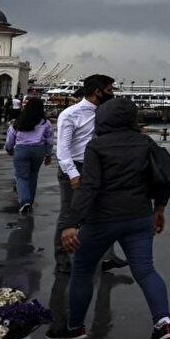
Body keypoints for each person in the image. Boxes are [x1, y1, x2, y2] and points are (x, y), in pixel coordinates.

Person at [46, 97, 170, 339]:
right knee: (146, 271)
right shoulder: (145, 142)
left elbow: (90, 187)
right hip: (139, 217)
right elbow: (162, 175)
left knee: (83, 271)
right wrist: (159, 207)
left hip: (101, 220)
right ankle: (163, 323)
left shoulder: (97, 146)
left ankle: (74, 327)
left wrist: (72, 223)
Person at [54, 74, 126, 275]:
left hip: (99, 168)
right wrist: (73, 174)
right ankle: (63, 261)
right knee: (69, 215)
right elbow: (62, 148)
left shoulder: (106, 114)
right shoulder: (70, 114)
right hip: (75, 168)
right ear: (98, 91)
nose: (113, 94)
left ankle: (107, 257)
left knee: (104, 212)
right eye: (110, 90)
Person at [5, 97, 54, 214]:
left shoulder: (18, 121)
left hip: (22, 150)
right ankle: (30, 201)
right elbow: (49, 140)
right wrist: (48, 154)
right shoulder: (45, 122)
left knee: (22, 177)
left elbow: (10, 138)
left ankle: (24, 201)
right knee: (33, 175)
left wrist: (9, 149)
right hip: (39, 150)